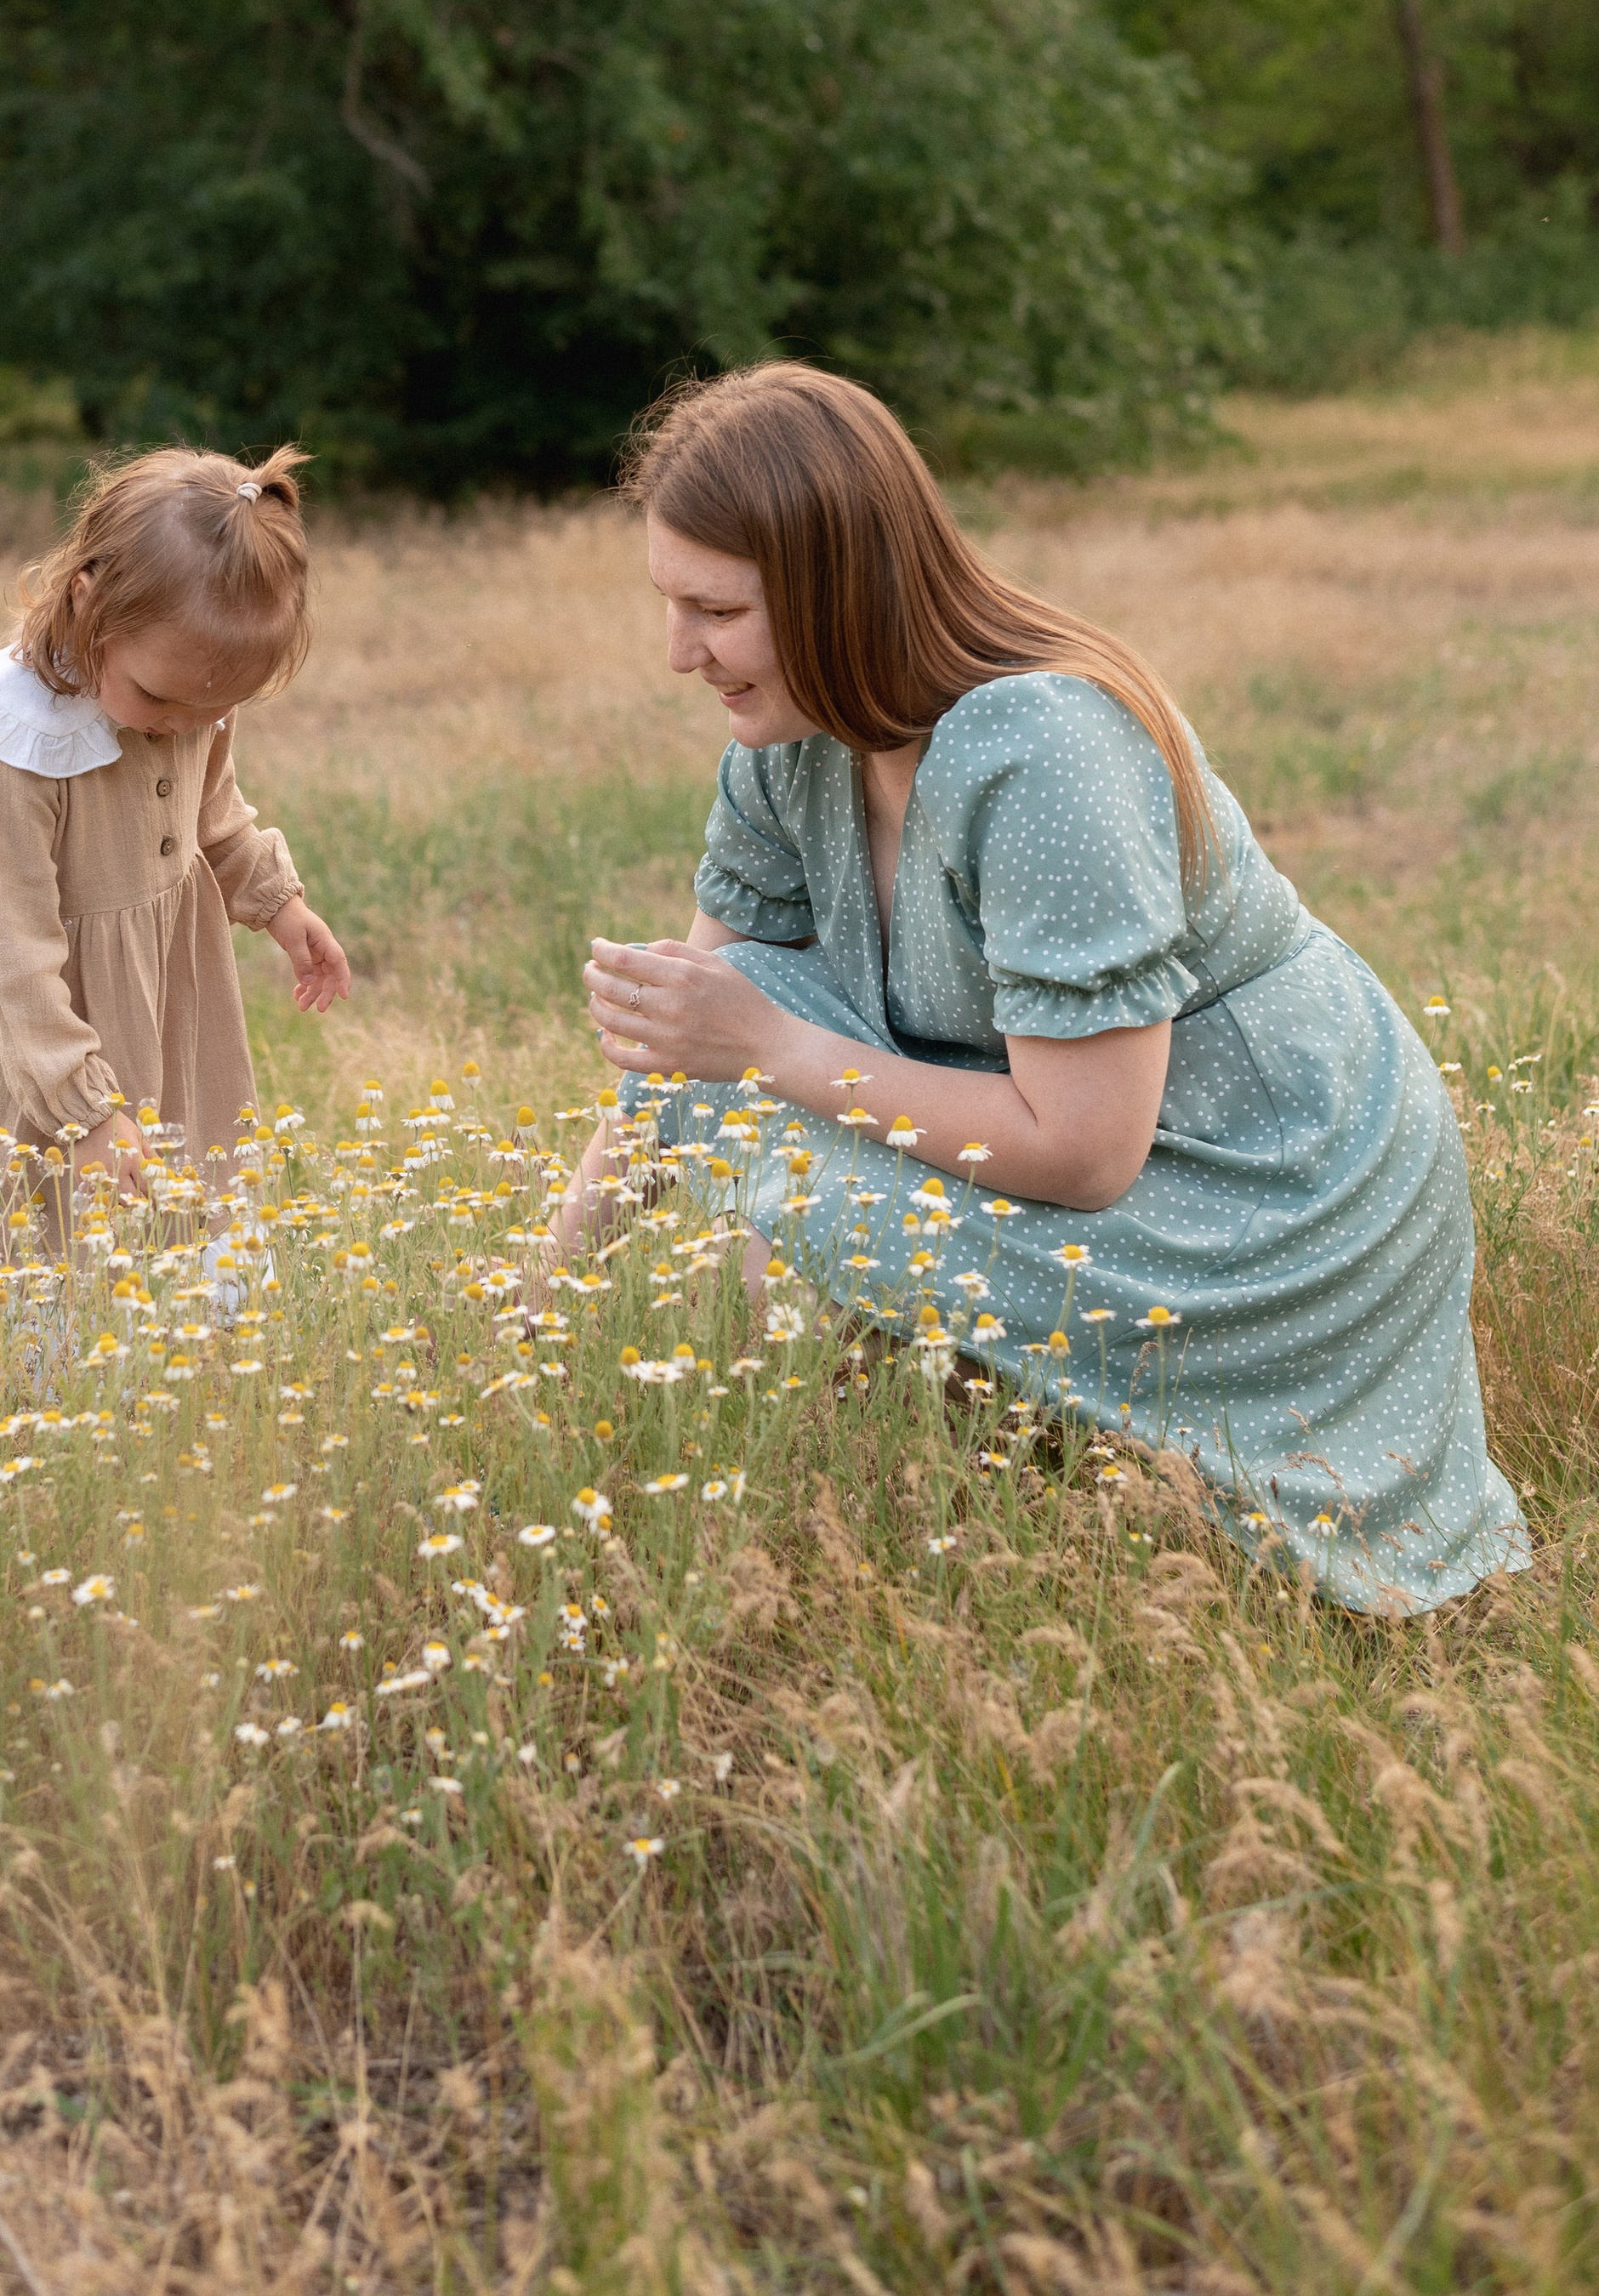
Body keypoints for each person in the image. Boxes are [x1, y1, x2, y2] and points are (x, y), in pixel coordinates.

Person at [551, 362, 1526, 1613]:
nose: (678, 653)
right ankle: (935, 1524)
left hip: (1255, 1176)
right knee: (738, 1064)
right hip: (1066, 1133)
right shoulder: (788, 750)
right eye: (668, 602)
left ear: (834, 590)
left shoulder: (1042, 747)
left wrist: (773, 1048)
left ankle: (1003, 1543)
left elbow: (1085, 1150)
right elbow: (679, 1049)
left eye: (716, 609)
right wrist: (538, 1312)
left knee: (797, 1197)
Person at [0, 444, 350, 1225]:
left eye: (215, 708)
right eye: (160, 698)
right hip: (28, 1019)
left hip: (150, 994)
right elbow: (16, 949)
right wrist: (84, 1107)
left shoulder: (189, 701)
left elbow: (212, 811)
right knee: (15, 1212)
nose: (183, 727)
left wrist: (278, 903)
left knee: (159, 1195)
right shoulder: (24, 740)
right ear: (90, 604)